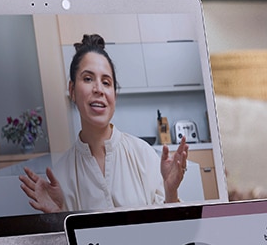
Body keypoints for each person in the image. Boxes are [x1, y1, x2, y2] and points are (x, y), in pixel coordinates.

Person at [20, 33, 190, 212]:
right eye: (88, 79)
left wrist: (171, 193)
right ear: (72, 90)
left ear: (114, 95)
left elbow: (169, 230)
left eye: (106, 82)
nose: (99, 89)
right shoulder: (60, 174)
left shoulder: (144, 154)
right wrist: (58, 215)